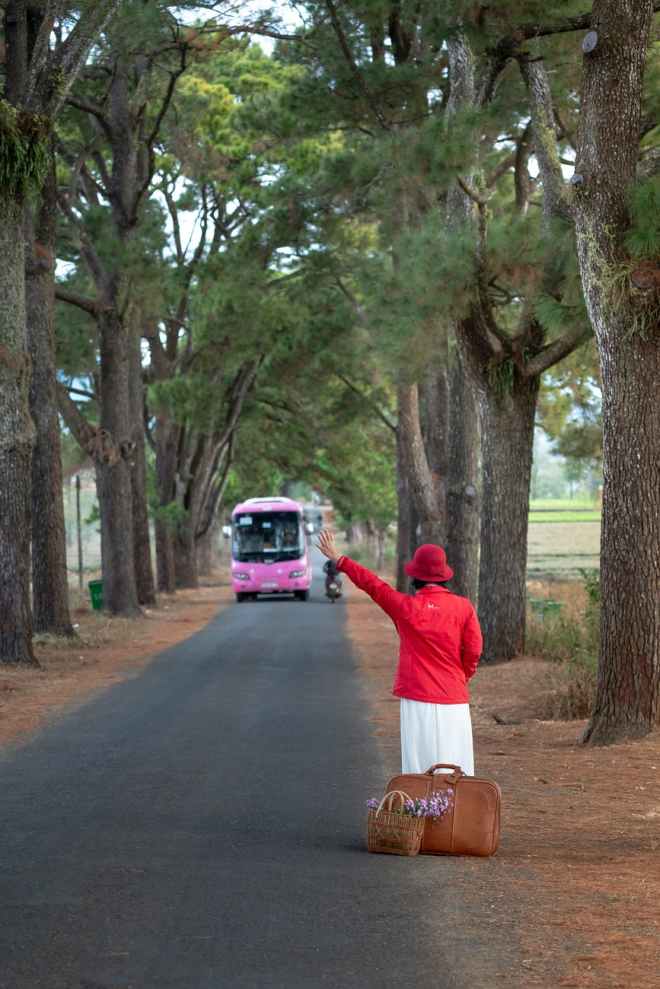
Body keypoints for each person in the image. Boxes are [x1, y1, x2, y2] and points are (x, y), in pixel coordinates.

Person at [317, 529, 482, 776]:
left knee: (418, 768)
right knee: (458, 768)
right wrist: (460, 678)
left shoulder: (405, 607)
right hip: (453, 699)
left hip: (417, 696)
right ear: (444, 576)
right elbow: (473, 651)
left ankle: (419, 813)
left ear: (415, 576)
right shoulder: (463, 607)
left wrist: (340, 560)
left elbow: (373, 585)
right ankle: (457, 814)